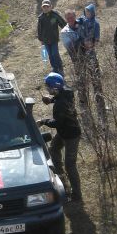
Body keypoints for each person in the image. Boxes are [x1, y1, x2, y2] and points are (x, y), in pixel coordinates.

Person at [39, 72, 82, 202]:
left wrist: (43, 121)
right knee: (53, 149)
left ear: (55, 88)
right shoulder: (67, 91)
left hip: (71, 136)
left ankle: (77, 195)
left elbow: (57, 123)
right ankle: (60, 173)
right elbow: (61, 97)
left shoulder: (60, 105)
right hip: (64, 132)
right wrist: (51, 100)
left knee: (70, 165)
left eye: (48, 87)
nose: (47, 89)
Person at [76, 3, 108, 128]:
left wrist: (92, 44)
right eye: (86, 11)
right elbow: (76, 24)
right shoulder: (82, 20)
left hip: (90, 49)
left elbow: (97, 38)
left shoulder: (95, 23)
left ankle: (99, 96)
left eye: (89, 12)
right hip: (81, 48)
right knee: (82, 73)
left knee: (94, 73)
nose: (87, 13)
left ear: (93, 12)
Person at [37, 0, 66, 74]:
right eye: (44, 7)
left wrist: (66, 30)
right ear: (42, 8)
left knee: (55, 54)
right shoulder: (41, 17)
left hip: (54, 39)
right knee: (50, 55)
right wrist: (40, 39)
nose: (46, 8)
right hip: (45, 40)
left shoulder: (55, 15)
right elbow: (39, 29)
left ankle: (60, 67)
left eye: (47, 7)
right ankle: (55, 68)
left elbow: (62, 23)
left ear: (51, 7)